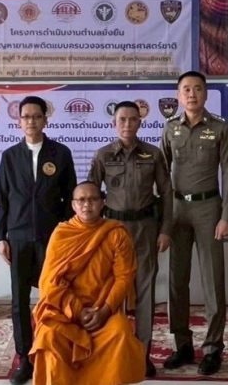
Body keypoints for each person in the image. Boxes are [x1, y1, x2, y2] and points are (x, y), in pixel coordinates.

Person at [28, 181, 146, 385]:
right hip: (64, 310)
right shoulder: (62, 234)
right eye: (81, 200)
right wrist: (78, 311)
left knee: (120, 332)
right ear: (73, 205)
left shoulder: (116, 233)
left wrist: (105, 311)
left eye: (93, 199)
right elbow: (50, 282)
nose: (87, 205)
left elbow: (124, 277)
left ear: (102, 203)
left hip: (103, 309)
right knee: (48, 335)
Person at [160, 70, 228, 376]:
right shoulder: (170, 128)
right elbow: (162, 174)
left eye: (197, 89)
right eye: (186, 89)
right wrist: (163, 218)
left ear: (206, 93)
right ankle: (182, 345)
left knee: (213, 280)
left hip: (209, 209)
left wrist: (227, 215)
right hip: (177, 209)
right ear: (179, 96)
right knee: (177, 280)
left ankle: (213, 347)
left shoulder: (220, 128)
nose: (192, 94)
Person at [0, 95, 77, 384]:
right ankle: (25, 358)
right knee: (19, 301)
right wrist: (1, 237)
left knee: (54, 297)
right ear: (19, 121)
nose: (31, 121)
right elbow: (3, 201)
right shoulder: (10, 156)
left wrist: (65, 234)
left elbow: (71, 199)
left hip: (51, 238)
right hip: (18, 237)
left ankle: (53, 350)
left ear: (45, 120)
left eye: (36, 116)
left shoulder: (61, 153)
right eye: (25, 116)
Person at [87, 100, 173, 377]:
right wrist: (91, 233)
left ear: (140, 122)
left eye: (132, 119)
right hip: (112, 230)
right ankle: (114, 349)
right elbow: (90, 195)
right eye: (122, 119)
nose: (127, 124)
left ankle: (142, 354)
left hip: (146, 228)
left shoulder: (153, 154)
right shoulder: (103, 155)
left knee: (145, 291)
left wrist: (165, 229)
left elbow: (167, 193)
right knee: (112, 292)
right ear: (114, 123)